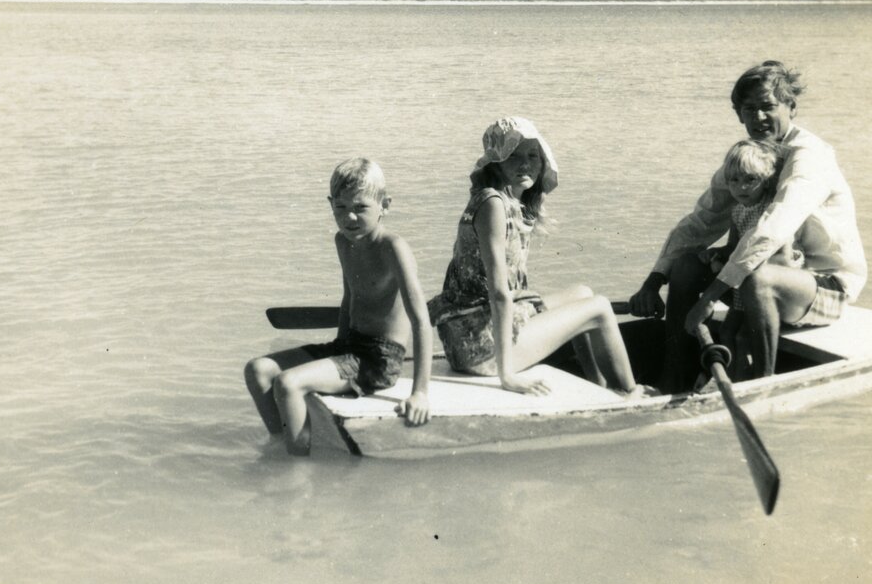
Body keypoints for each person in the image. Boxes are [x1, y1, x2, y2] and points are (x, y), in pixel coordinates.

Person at [628, 61, 867, 391]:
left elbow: (773, 228)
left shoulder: (809, 157)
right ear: (738, 114)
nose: (758, 118)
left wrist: (710, 297)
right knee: (684, 266)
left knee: (757, 277)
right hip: (768, 275)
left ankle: (761, 387)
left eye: (768, 107)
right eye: (749, 109)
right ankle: (675, 377)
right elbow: (701, 222)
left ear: (791, 107)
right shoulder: (748, 158)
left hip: (825, 286)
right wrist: (654, 281)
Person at [428, 116, 647, 397]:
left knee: (583, 292)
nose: (525, 164)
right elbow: (499, 293)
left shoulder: (503, 201)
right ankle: (631, 392)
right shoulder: (493, 205)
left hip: (471, 335)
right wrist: (507, 376)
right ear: (495, 161)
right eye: (513, 155)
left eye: (533, 155)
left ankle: (599, 387)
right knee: (601, 307)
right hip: (481, 350)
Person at [244, 158, 432, 456]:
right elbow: (349, 299)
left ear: (385, 205)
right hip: (349, 346)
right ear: (330, 204)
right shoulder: (344, 242)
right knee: (258, 370)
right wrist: (337, 350)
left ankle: (297, 468)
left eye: (360, 208)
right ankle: (281, 443)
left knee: (289, 384)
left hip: (378, 359)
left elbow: (420, 320)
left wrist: (420, 393)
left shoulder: (393, 247)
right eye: (341, 208)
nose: (350, 218)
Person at [702, 139, 804, 379]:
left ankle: (747, 378)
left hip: (766, 280)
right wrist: (715, 252)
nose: (742, 188)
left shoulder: (772, 210)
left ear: (766, 179)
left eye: (750, 180)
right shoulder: (737, 211)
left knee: (738, 334)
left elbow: (780, 254)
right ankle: (733, 377)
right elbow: (733, 247)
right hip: (744, 280)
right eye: (734, 181)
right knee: (727, 332)